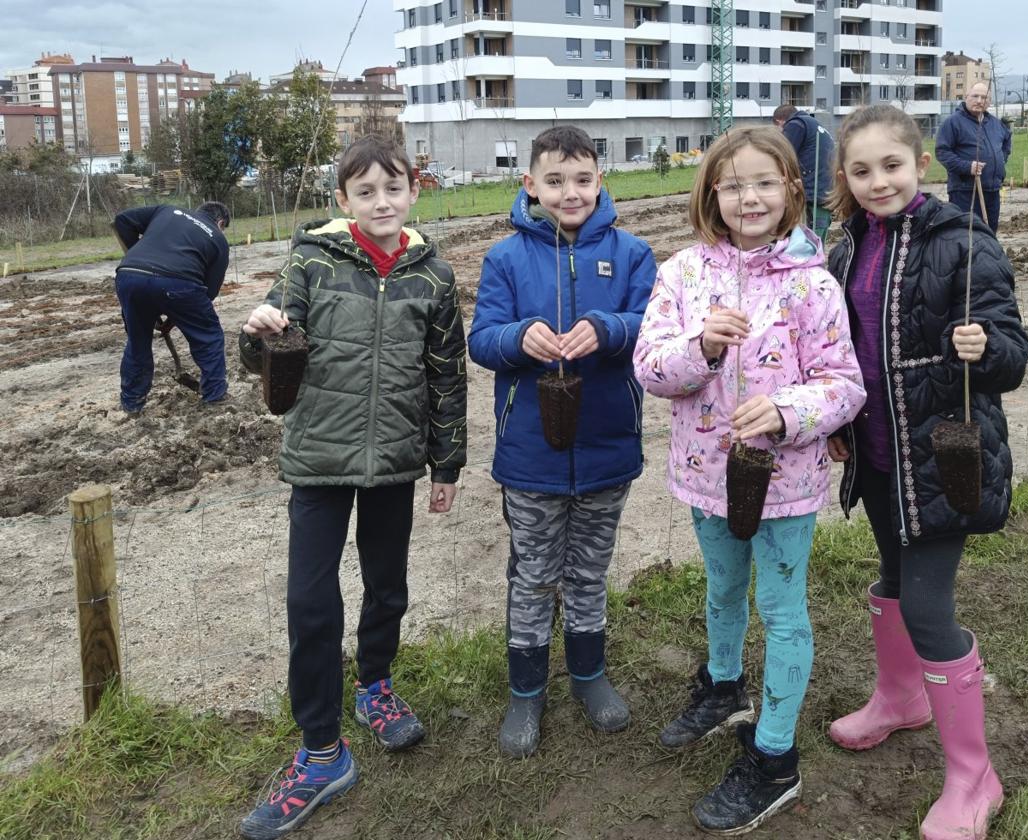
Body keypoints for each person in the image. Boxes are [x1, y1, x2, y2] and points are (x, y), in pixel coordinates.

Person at [633, 126, 865, 835]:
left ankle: (773, 759)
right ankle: (724, 685)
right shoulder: (682, 274)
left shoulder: (812, 283)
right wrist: (701, 346)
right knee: (723, 588)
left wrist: (788, 411)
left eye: (764, 181)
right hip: (705, 475)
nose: (748, 197)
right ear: (710, 194)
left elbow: (843, 386)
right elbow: (649, 369)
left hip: (783, 484)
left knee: (783, 610)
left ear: (791, 190)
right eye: (731, 185)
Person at [236, 135, 467, 840]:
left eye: (392, 189)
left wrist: (446, 463)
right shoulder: (309, 259)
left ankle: (375, 687)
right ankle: (320, 752)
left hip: (396, 460)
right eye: (364, 192)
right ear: (343, 202)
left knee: (386, 584)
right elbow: (267, 352)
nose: (381, 203)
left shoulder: (432, 276)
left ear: (412, 193)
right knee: (310, 602)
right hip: (319, 459)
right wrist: (257, 331)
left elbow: (446, 373)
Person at [824, 104, 1028, 840]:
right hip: (877, 455)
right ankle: (899, 698)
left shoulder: (963, 240)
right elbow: (838, 352)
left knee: (926, 607)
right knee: (889, 580)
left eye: (891, 165)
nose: (877, 181)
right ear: (843, 177)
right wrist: (838, 426)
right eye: (860, 169)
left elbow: (1013, 351)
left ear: (919, 165)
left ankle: (975, 777)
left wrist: (984, 347)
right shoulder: (844, 246)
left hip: (945, 455)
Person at [468, 125, 656, 759]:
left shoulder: (632, 253)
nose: (569, 192)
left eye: (582, 179)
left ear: (600, 181)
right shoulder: (504, 259)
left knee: (589, 571)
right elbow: (481, 340)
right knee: (532, 574)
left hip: (608, 446)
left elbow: (651, 327)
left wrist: (606, 328)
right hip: (530, 453)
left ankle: (588, 674)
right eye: (554, 180)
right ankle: (526, 691)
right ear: (530, 186)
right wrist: (519, 337)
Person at [111, 201, 231, 412]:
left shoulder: (167, 210)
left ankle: (132, 403)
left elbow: (122, 220)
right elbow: (208, 292)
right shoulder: (218, 238)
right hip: (178, 283)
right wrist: (176, 317)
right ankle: (215, 396)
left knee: (137, 342)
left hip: (129, 275)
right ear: (220, 223)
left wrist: (134, 251)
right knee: (209, 337)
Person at [936, 82, 1012, 233]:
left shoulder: (996, 124)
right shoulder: (953, 122)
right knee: (968, 235)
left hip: (992, 190)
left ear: (989, 102)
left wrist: (1000, 162)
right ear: (966, 97)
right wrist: (966, 167)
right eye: (975, 96)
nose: (979, 100)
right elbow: (942, 152)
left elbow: (1006, 141)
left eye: (983, 97)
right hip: (965, 191)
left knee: (990, 234)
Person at [771, 104, 835, 240]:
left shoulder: (796, 124)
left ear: (779, 121)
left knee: (807, 243)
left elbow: (783, 154)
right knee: (817, 243)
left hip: (812, 193)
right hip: (826, 191)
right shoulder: (815, 125)